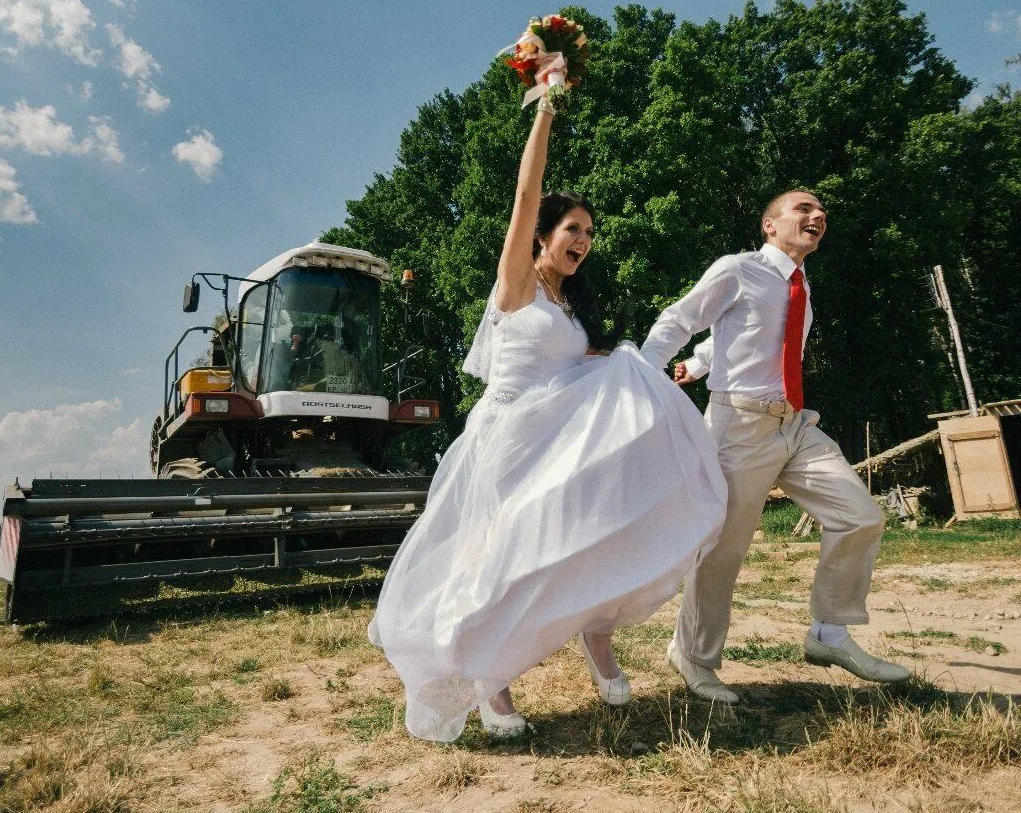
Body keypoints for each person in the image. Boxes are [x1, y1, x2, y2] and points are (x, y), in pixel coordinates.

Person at [367, 92, 728, 742]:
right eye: (573, 230)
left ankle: (595, 634)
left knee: (582, 537)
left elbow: (580, 372)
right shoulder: (517, 286)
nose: (584, 241)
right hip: (508, 439)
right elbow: (525, 193)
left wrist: (652, 376)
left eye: (590, 233)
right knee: (501, 562)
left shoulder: (565, 306)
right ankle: (492, 688)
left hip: (555, 440)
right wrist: (546, 109)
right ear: (541, 236)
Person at [640, 189, 911, 705]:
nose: (817, 215)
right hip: (738, 427)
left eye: (821, 211)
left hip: (793, 425)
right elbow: (681, 318)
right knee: (723, 549)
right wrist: (646, 374)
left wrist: (698, 364)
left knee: (860, 516)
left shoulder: (800, 284)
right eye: (803, 209)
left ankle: (828, 634)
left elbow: (743, 336)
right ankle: (693, 656)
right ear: (770, 226)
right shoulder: (737, 269)